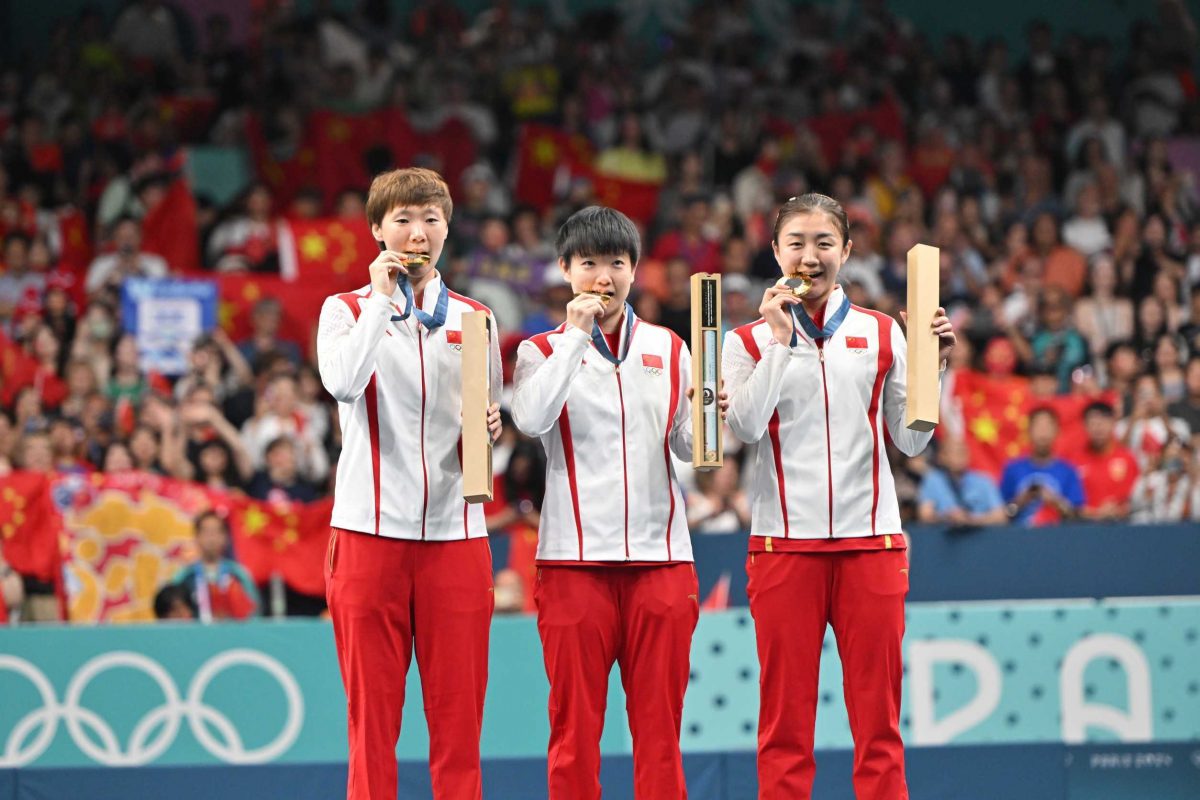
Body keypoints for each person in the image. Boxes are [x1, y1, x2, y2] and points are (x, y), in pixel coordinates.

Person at [722, 193, 956, 800]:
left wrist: (934, 371)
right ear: (775, 252)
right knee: (784, 726)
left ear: (847, 251)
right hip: (783, 548)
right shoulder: (745, 342)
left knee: (878, 724)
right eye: (796, 243)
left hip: (871, 545)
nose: (809, 256)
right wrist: (779, 340)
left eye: (824, 243)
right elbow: (744, 428)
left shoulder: (883, 332)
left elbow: (911, 442)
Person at [512, 205, 721, 799]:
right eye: (589, 264)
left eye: (617, 263)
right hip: (574, 564)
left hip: (661, 562)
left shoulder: (672, 347)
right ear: (564, 269)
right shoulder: (540, 351)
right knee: (574, 732)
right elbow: (531, 419)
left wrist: (712, 412)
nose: (603, 277)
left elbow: (689, 445)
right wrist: (576, 336)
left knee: (660, 733)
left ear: (636, 271)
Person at [316, 167, 502, 800]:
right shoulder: (342, 311)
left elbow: (485, 421)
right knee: (373, 723)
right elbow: (342, 383)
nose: (417, 233)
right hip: (370, 537)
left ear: (447, 229)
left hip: (456, 538)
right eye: (402, 219)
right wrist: (379, 301)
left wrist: (490, 429)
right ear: (376, 230)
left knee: (459, 727)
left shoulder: (476, 319)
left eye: (430, 220)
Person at [1000, 407, 1086, 525]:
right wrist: (1020, 501)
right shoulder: (1012, 469)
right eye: (1038, 427)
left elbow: (1076, 516)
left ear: (1057, 432)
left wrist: (1056, 502)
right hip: (1019, 538)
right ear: (1029, 431)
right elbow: (1003, 515)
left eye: (1047, 427)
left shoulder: (1068, 472)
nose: (1043, 433)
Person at [172, 511, 260, 621]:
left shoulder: (238, 575)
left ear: (226, 538)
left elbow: (253, 614)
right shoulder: (184, 577)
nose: (212, 538)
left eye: (217, 532)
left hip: (232, 636)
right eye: (206, 532)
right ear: (196, 537)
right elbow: (174, 615)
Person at [917, 436, 1007, 525]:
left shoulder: (984, 481)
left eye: (963, 452)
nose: (960, 457)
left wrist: (972, 520)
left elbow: (1000, 516)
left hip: (979, 536)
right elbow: (925, 515)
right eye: (954, 452)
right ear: (941, 457)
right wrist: (947, 518)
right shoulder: (933, 480)